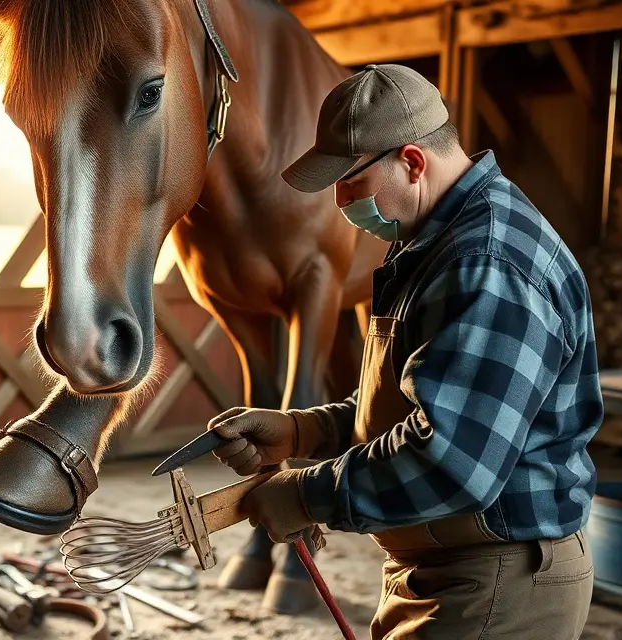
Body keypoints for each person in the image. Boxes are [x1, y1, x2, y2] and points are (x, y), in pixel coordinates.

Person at [206, 63, 602, 639]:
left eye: (351, 181)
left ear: (413, 162)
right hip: (446, 569)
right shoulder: (435, 240)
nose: (340, 200)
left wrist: (306, 494)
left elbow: (452, 463)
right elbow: (419, 398)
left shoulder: (486, 263)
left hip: (495, 584)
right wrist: (301, 431)